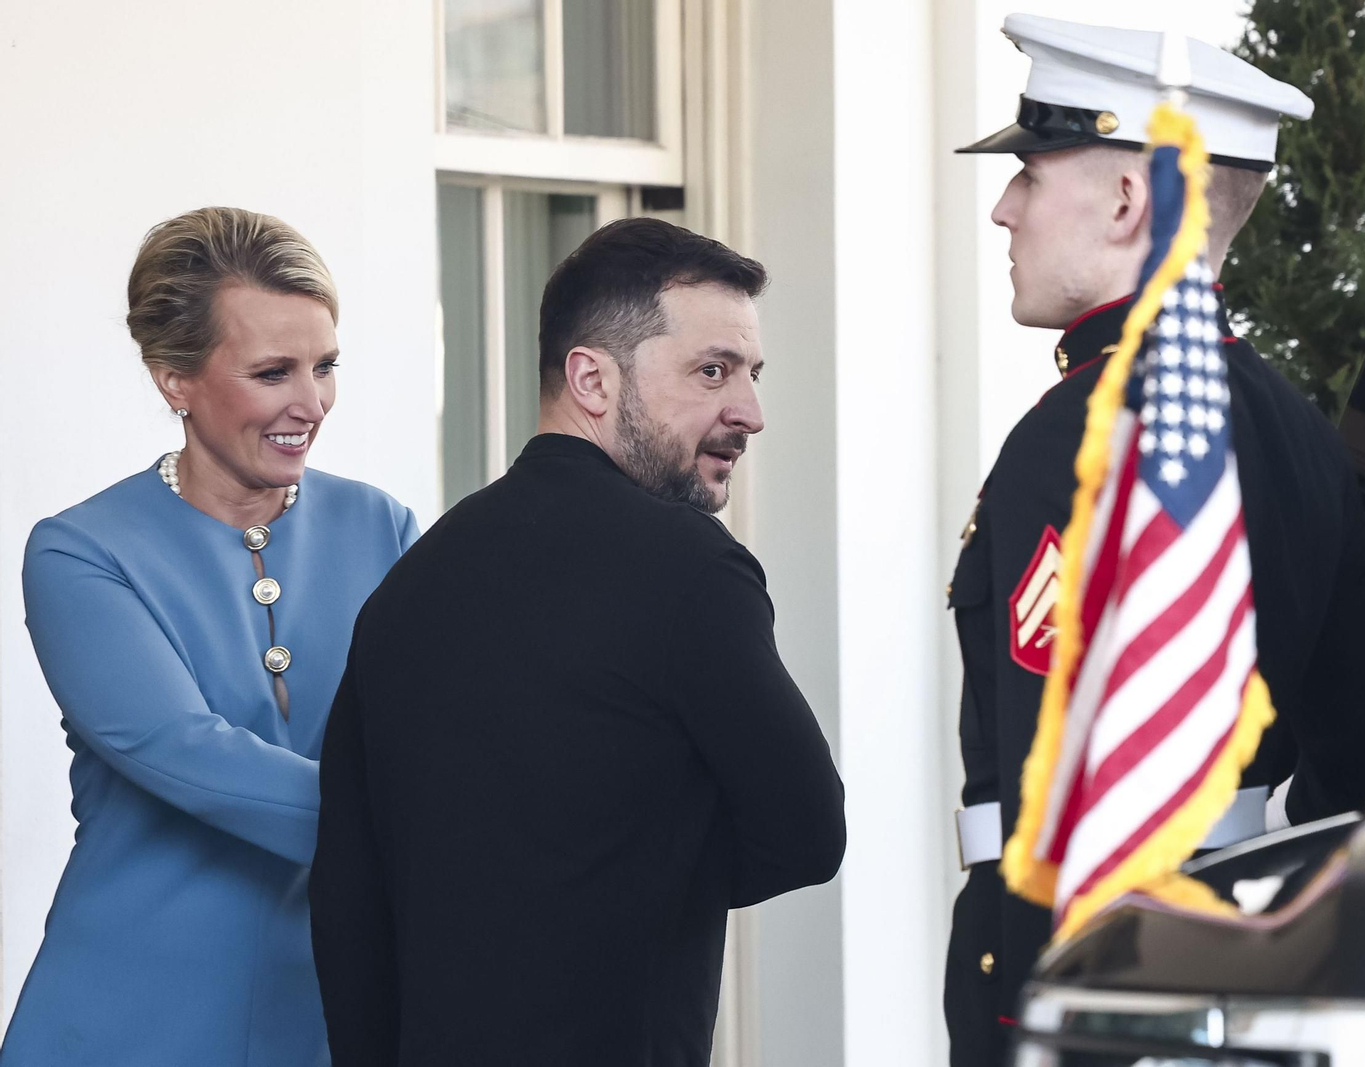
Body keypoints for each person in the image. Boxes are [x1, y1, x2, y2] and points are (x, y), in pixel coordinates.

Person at [943, 16, 1365, 1065]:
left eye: (1031, 175)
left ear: (1128, 199)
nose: (1003, 208)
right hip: (1239, 967)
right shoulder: (1295, 428)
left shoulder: (1082, 435)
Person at [309, 217, 846, 1066]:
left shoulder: (413, 580)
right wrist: (643, 869)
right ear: (592, 378)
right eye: (713, 371)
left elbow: (349, 893)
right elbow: (808, 832)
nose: (749, 412)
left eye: (750, 374)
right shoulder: (691, 566)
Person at [2, 207, 419, 1066]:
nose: (311, 402)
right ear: (174, 380)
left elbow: (458, 731)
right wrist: (444, 823)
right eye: (273, 371)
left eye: (326, 365)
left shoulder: (384, 526)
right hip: (129, 1016)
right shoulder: (81, 551)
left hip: (330, 1012)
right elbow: (186, 751)